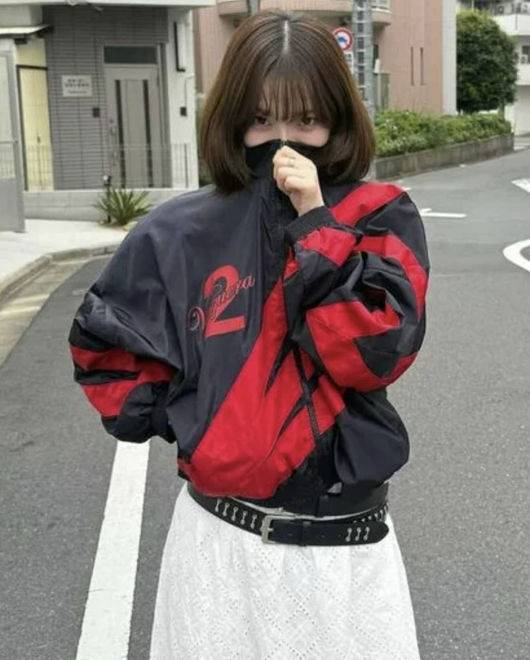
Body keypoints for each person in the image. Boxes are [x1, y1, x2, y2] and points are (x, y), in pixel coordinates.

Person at [68, 9, 430, 659]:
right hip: (220, 547)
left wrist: (316, 224)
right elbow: (105, 347)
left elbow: (376, 353)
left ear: (339, 120)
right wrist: (196, 418)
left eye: (306, 119)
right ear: (233, 119)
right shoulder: (178, 231)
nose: (283, 143)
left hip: (349, 555)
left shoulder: (378, 216)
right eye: (262, 119)